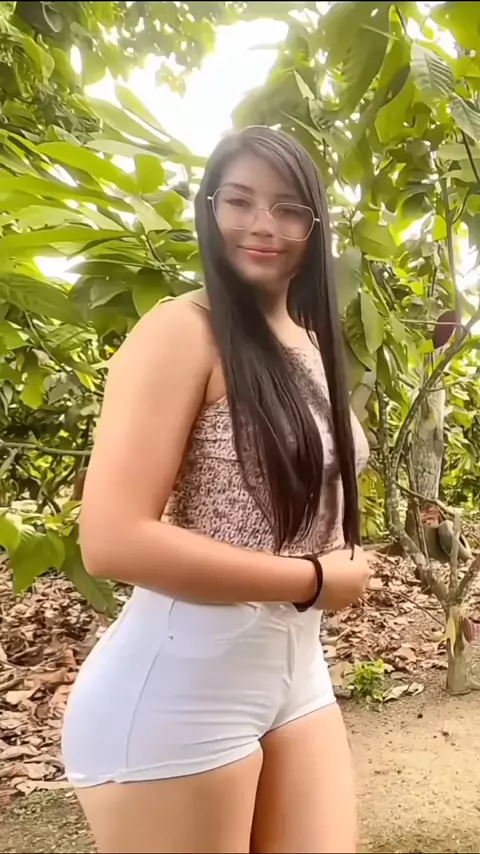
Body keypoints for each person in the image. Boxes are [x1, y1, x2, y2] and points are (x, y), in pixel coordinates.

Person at [61, 125, 372, 854]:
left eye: (288, 207)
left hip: (294, 673)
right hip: (178, 686)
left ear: (314, 226)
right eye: (240, 201)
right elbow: (111, 539)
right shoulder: (181, 331)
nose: (263, 224)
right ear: (209, 209)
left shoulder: (308, 340)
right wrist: (312, 579)